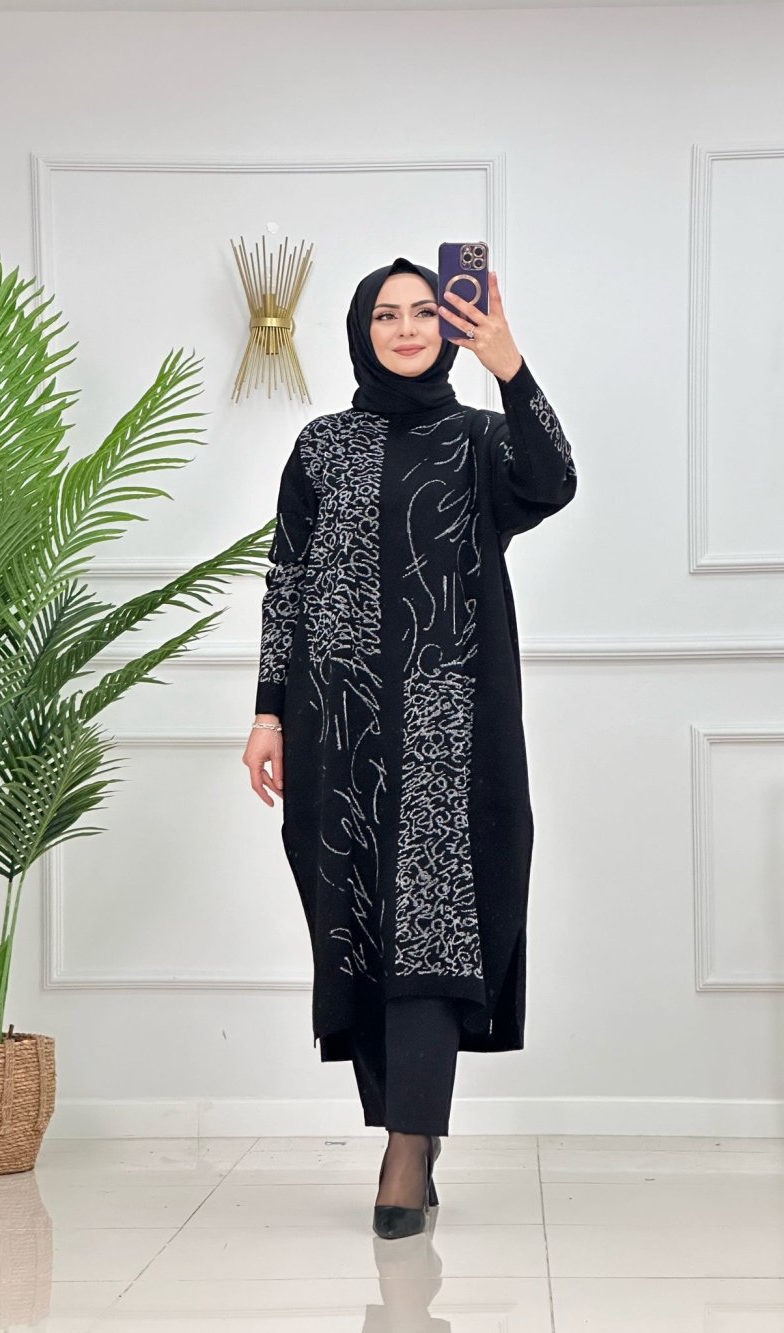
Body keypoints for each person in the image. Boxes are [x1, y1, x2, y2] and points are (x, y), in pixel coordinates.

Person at [243, 255, 577, 1239]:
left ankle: (407, 1143)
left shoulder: (480, 439)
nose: (403, 328)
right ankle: (409, 1128)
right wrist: (268, 713)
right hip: (336, 724)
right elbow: (287, 580)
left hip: (447, 726)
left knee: (433, 928)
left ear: (448, 327)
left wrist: (509, 365)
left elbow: (553, 480)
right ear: (362, 331)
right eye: (385, 314)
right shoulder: (321, 446)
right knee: (357, 924)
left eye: (423, 311)